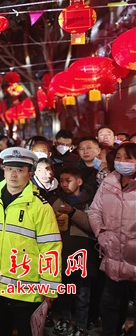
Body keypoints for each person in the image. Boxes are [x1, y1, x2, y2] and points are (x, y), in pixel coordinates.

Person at [0, 147, 62, 336]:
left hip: (26, 289)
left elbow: (50, 247)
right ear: (3, 170)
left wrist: (50, 286)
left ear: (30, 174)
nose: (13, 174)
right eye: (10, 169)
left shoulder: (40, 207)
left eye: (20, 170)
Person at [88, 143, 136, 336]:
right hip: (113, 258)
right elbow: (94, 211)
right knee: (110, 306)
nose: (122, 162)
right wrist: (102, 234)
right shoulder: (109, 182)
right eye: (119, 157)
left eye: (128, 158)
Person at [50, 167, 97, 336]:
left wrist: (73, 212)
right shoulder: (55, 201)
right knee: (64, 290)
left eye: (68, 180)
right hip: (63, 252)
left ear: (79, 181)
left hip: (84, 253)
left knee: (83, 293)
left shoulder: (91, 201)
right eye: (62, 180)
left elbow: (93, 225)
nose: (64, 184)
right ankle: (64, 320)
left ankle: (81, 325)